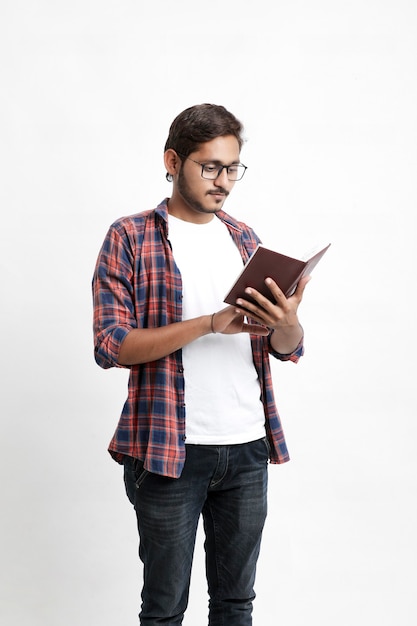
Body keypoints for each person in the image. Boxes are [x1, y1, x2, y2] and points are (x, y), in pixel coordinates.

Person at [92, 103, 310, 626]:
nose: (224, 181)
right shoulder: (130, 237)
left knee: (236, 605)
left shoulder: (245, 240)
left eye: (233, 168)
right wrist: (209, 323)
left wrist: (287, 320)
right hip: (170, 452)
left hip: (247, 447)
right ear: (173, 161)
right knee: (165, 609)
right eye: (210, 166)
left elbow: (287, 346)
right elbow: (111, 344)